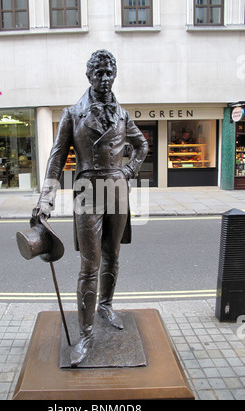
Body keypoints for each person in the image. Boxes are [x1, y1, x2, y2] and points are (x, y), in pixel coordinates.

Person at [32, 50, 148, 367]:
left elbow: (142, 145)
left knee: (113, 255)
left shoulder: (123, 115)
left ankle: (106, 305)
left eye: (109, 72)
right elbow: (56, 159)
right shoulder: (73, 114)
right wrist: (46, 198)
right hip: (87, 191)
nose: (104, 78)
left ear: (114, 75)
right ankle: (85, 334)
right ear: (89, 76)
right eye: (98, 72)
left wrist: (129, 170)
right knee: (89, 264)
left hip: (117, 189)